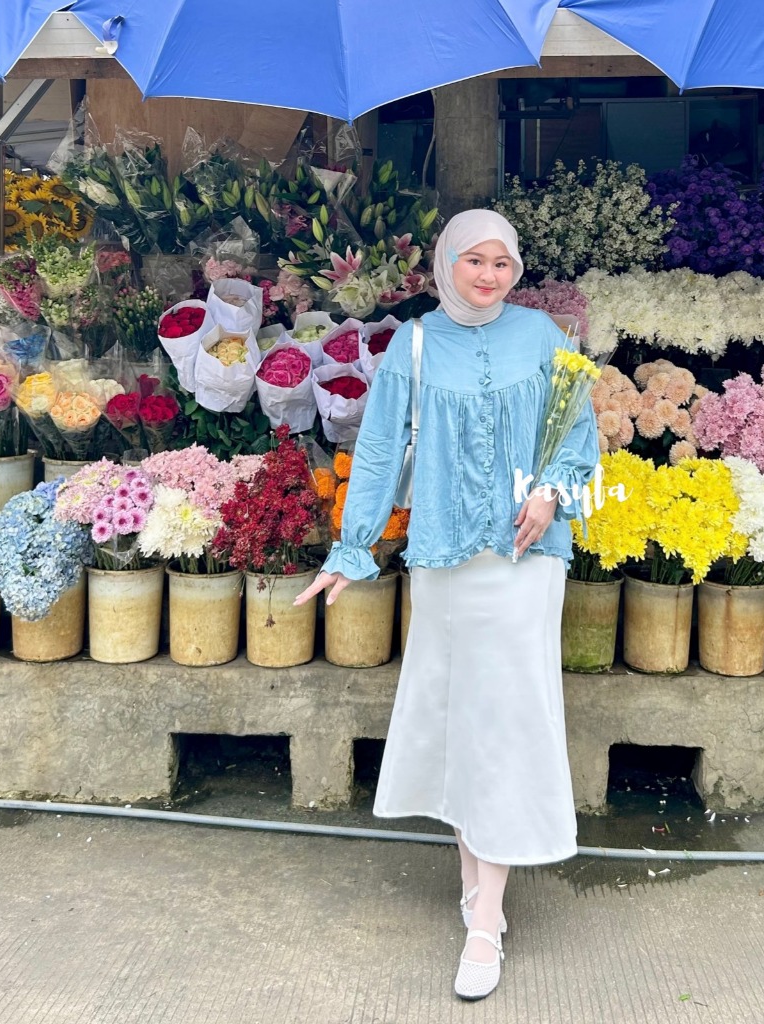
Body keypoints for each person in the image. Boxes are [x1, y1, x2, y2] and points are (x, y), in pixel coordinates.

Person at [295, 209, 598, 1001]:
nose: (490, 275)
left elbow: (579, 435)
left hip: (527, 562)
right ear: (445, 264)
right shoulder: (415, 344)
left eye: (502, 262)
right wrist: (353, 547)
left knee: (507, 719)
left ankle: (485, 919)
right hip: (445, 563)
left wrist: (551, 493)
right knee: (464, 719)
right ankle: (475, 886)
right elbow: (379, 452)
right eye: (475, 260)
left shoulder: (543, 336)